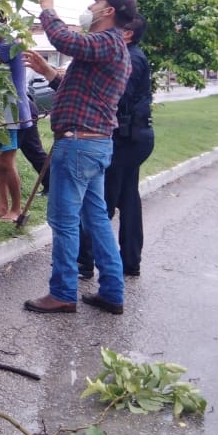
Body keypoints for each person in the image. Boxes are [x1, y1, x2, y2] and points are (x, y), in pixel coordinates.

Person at [22, 0, 132, 316]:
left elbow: (66, 41)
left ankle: (63, 293)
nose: (89, 6)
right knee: (96, 218)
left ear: (110, 10)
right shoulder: (109, 49)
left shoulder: (108, 41)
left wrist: (47, 8)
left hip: (79, 145)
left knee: (64, 221)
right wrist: (47, 72)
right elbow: (76, 90)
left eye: (97, 2)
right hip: (92, 144)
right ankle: (112, 292)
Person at [77, 14, 154, 278]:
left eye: (118, 27)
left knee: (101, 203)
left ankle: (86, 263)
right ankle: (130, 262)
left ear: (128, 33)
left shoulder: (130, 58)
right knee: (128, 198)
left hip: (127, 140)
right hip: (132, 137)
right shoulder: (130, 55)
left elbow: (117, 99)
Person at [0, 27, 32, 221]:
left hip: (12, 113)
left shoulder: (9, 45)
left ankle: (16, 209)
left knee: (7, 162)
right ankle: (2, 205)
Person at [18, 94, 50, 195]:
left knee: (33, 151)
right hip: (20, 109)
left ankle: (51, 186)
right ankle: (14, 186)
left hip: (23, 111)